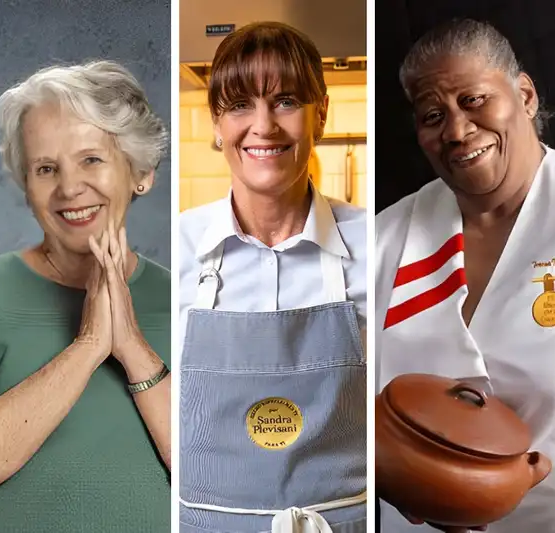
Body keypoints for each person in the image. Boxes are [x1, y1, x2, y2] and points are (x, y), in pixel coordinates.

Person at [178, 22, 368, 532]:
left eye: (285, 101)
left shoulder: (376, 247)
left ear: (320, 115)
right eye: (240, 105)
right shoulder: (175, 253)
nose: (263, 125)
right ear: (216, 125)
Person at [375, 20, 555, 533]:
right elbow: (345, 397)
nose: (457, 131)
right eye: (433, 115)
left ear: (524, 95)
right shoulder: (384, 239)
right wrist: (389, 474)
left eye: (474, 100)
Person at [0, 61, 171, 532]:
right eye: (46, 168)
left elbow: (215, 478)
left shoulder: (192, 295)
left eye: (91, 159)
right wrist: (89, 344)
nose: (69, 188)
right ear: (26, 185)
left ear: (140, 171)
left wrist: (132, 349)